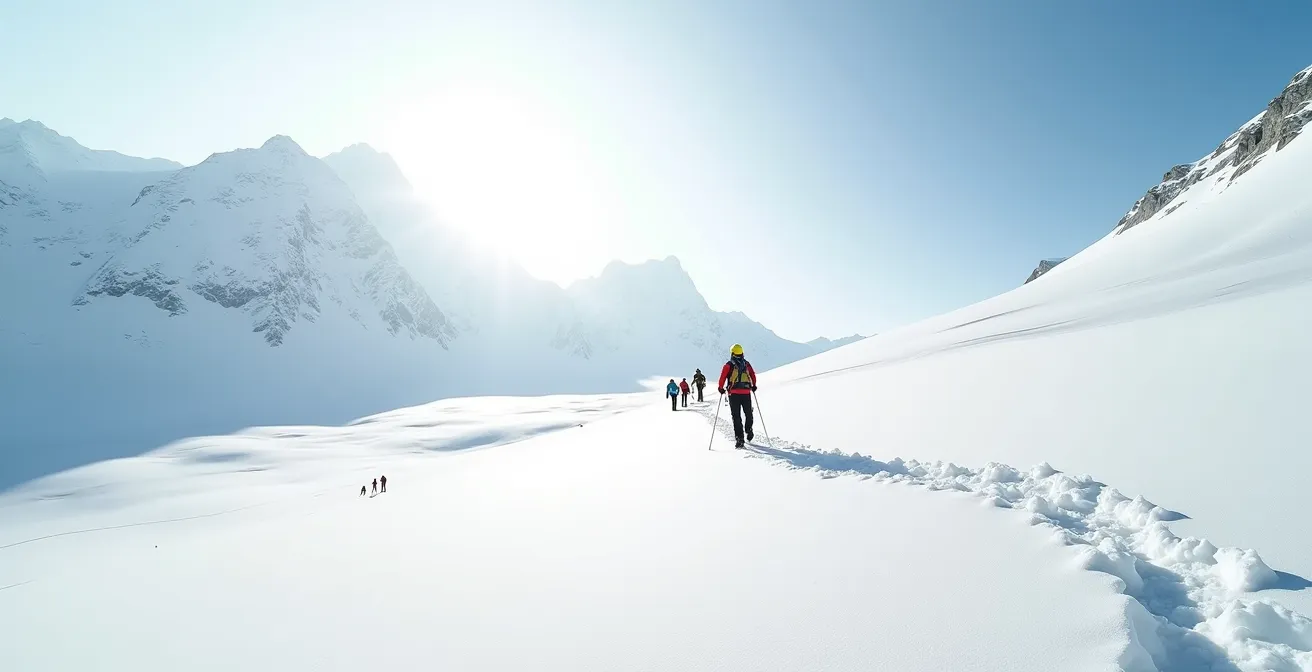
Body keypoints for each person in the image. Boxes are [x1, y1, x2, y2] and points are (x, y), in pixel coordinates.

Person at [717, 343, 757, 448]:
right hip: (746, 393)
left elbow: (722, 377)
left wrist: (720, 388)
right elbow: (752, 375)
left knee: (736, 416)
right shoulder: (746, 364)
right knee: (748, 413)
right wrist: (754, 385)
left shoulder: (728, 365)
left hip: (733, 394)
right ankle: (749, 429)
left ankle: (740, 439)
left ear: (732, 353)